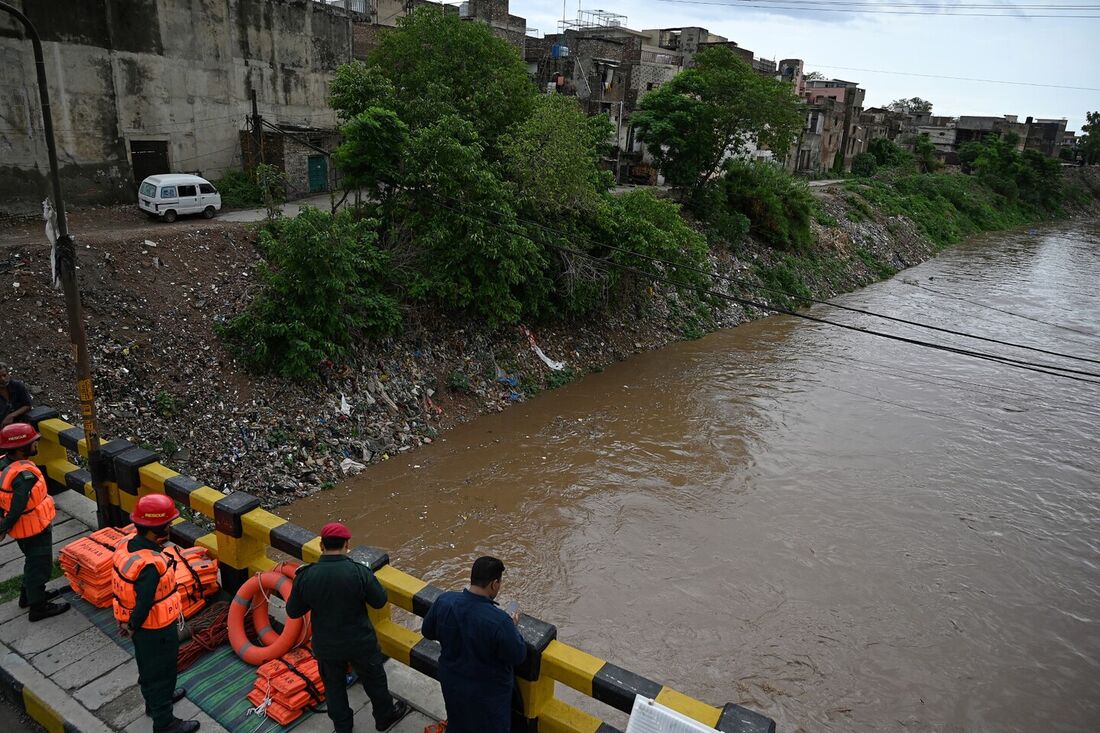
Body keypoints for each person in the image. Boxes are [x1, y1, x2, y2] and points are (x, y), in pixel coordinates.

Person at [286, 522, 408, 733]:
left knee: (333, 689)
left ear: (321, 545)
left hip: (326, 646)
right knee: (375, 681)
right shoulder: (359, 572)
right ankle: (384, 717)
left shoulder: (306, 576)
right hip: (360, 642)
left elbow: (293, 611)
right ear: (347, 544)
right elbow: (379, 601)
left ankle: (343, 727)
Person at [112, 494, 198, 733]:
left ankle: (154, 704)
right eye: (168, 525)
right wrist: (133, 624)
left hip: (140, 628)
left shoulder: (129, 546)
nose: (170, 529)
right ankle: (165, 722)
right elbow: (145, 602)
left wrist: (129, 624)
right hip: (155, 628)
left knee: (148, 668)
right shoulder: (149, 565)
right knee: (163, 672)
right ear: (157, 529)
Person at [421, 556, 527, 733]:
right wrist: (512, 628)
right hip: (488, 695)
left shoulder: (445, 601)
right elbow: (518, 655)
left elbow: (427, 632)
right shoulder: (500, 622)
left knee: (458, 722)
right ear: (494, 584)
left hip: (452, 682)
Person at [0, 423, 69, 621]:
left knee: (32, 562)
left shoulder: (4, 465)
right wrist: (3, 527)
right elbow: (17, 506)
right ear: (21, 449)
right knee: (40, 565)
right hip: (33, 527)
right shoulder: (23, 476)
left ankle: (28, 597)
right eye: (33, 442)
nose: (36, 444)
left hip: (24, 528)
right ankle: (38, 607)